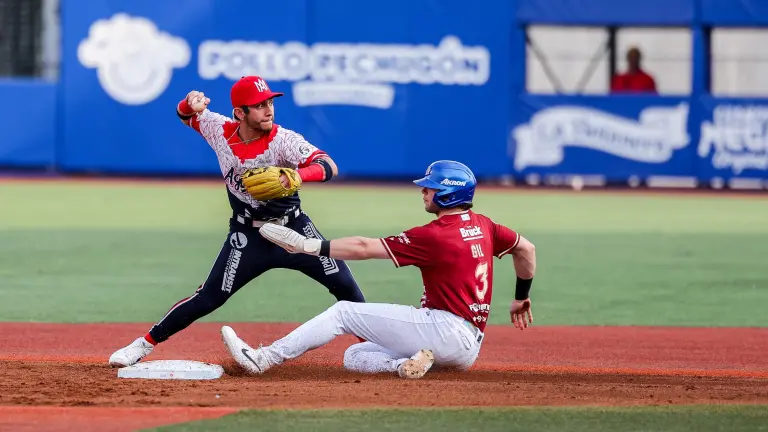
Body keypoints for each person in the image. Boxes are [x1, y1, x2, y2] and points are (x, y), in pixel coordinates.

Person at [108, 76, 366, 367]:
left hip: (294, 229)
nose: (269, 110)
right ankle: (143, 344)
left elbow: (328, 165)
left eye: (270, 102)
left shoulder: (284, 140)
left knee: (346, 287)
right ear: (239, 113)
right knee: (208, 297)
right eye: (259, 106)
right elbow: (185, 115)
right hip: (248, 235)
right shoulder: (219, 129)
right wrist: (188, 102)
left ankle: (375, 349)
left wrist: (297, 175)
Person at [219, 160, 537, 379]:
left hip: (443, 329)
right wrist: (521, 297)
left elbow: (363, 247)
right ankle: (404, 366)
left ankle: (262, 360)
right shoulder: (485, 226)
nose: (423, 191)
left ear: (447, 193)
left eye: (430, 187)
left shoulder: (434, 235)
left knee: (344, 312)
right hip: (467, 349)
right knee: (356, 357)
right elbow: (526, 249)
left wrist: (310, 246)